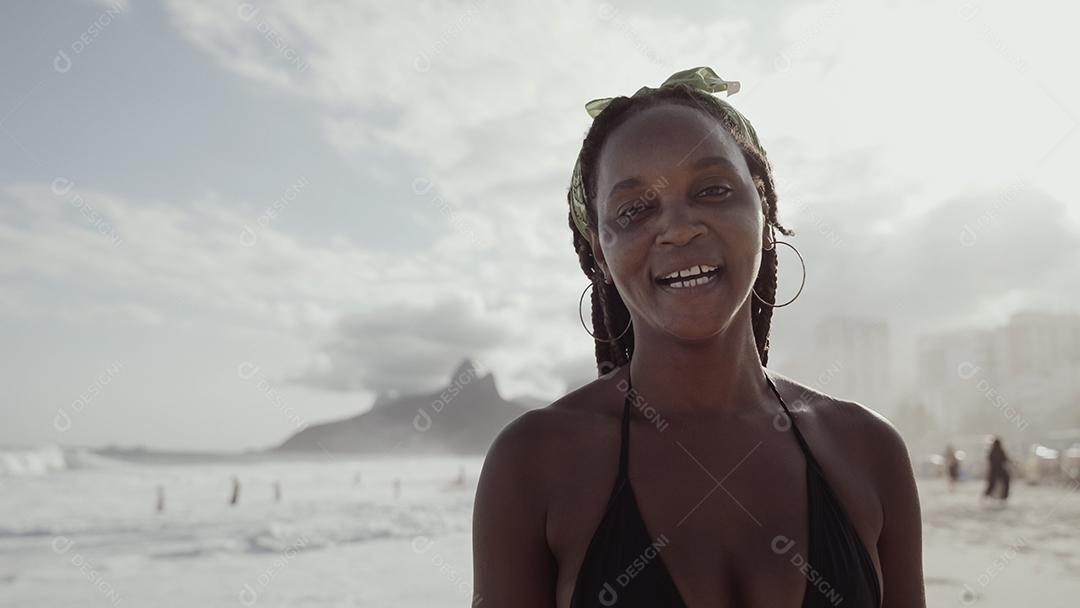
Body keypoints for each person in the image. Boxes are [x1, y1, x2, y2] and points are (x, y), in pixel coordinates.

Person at [473, 66, 925, 607]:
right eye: (635, 208)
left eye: (712, 190)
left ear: (763, 207)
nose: (680, 227)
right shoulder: (532, 464)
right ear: (600, 250)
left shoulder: (869, 451)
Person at [983, 437, 1010, 504]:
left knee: (992, 484)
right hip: (998, 469)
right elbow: (1005, 459)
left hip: (995, 470)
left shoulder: (993, 451)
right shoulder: (999, 451)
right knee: (1004, 482)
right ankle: (1003, 496)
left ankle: (987, 495)